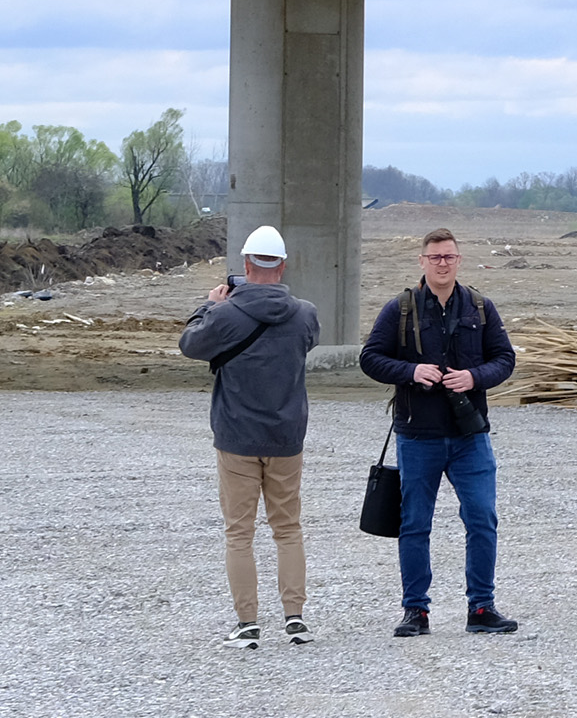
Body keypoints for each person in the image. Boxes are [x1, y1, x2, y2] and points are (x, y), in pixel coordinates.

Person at [356, 225, 521, 642]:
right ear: (422, 261)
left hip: (470, 436)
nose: (442, 264)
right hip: (418, 435)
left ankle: (481, 607)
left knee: (482, 518)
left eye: (449, 257)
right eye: (435, 257)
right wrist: (410, 371)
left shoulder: (480, 308)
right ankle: (416, 611)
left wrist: (474, 377)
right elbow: (370, 358)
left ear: (458, 260)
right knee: (414, 523)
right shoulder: (401, 309)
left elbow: (505, 359)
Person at [179, 222, 325, 647]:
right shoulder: (306, 313)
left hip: (237, 437)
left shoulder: (224, 314)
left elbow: (190, 344)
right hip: (286, 437)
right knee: (288, 528)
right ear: (282, 265)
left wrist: (208, 306)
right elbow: (306, 342)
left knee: (239, 532)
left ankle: (247, 623)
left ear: (246, 263)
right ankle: (294, 616)